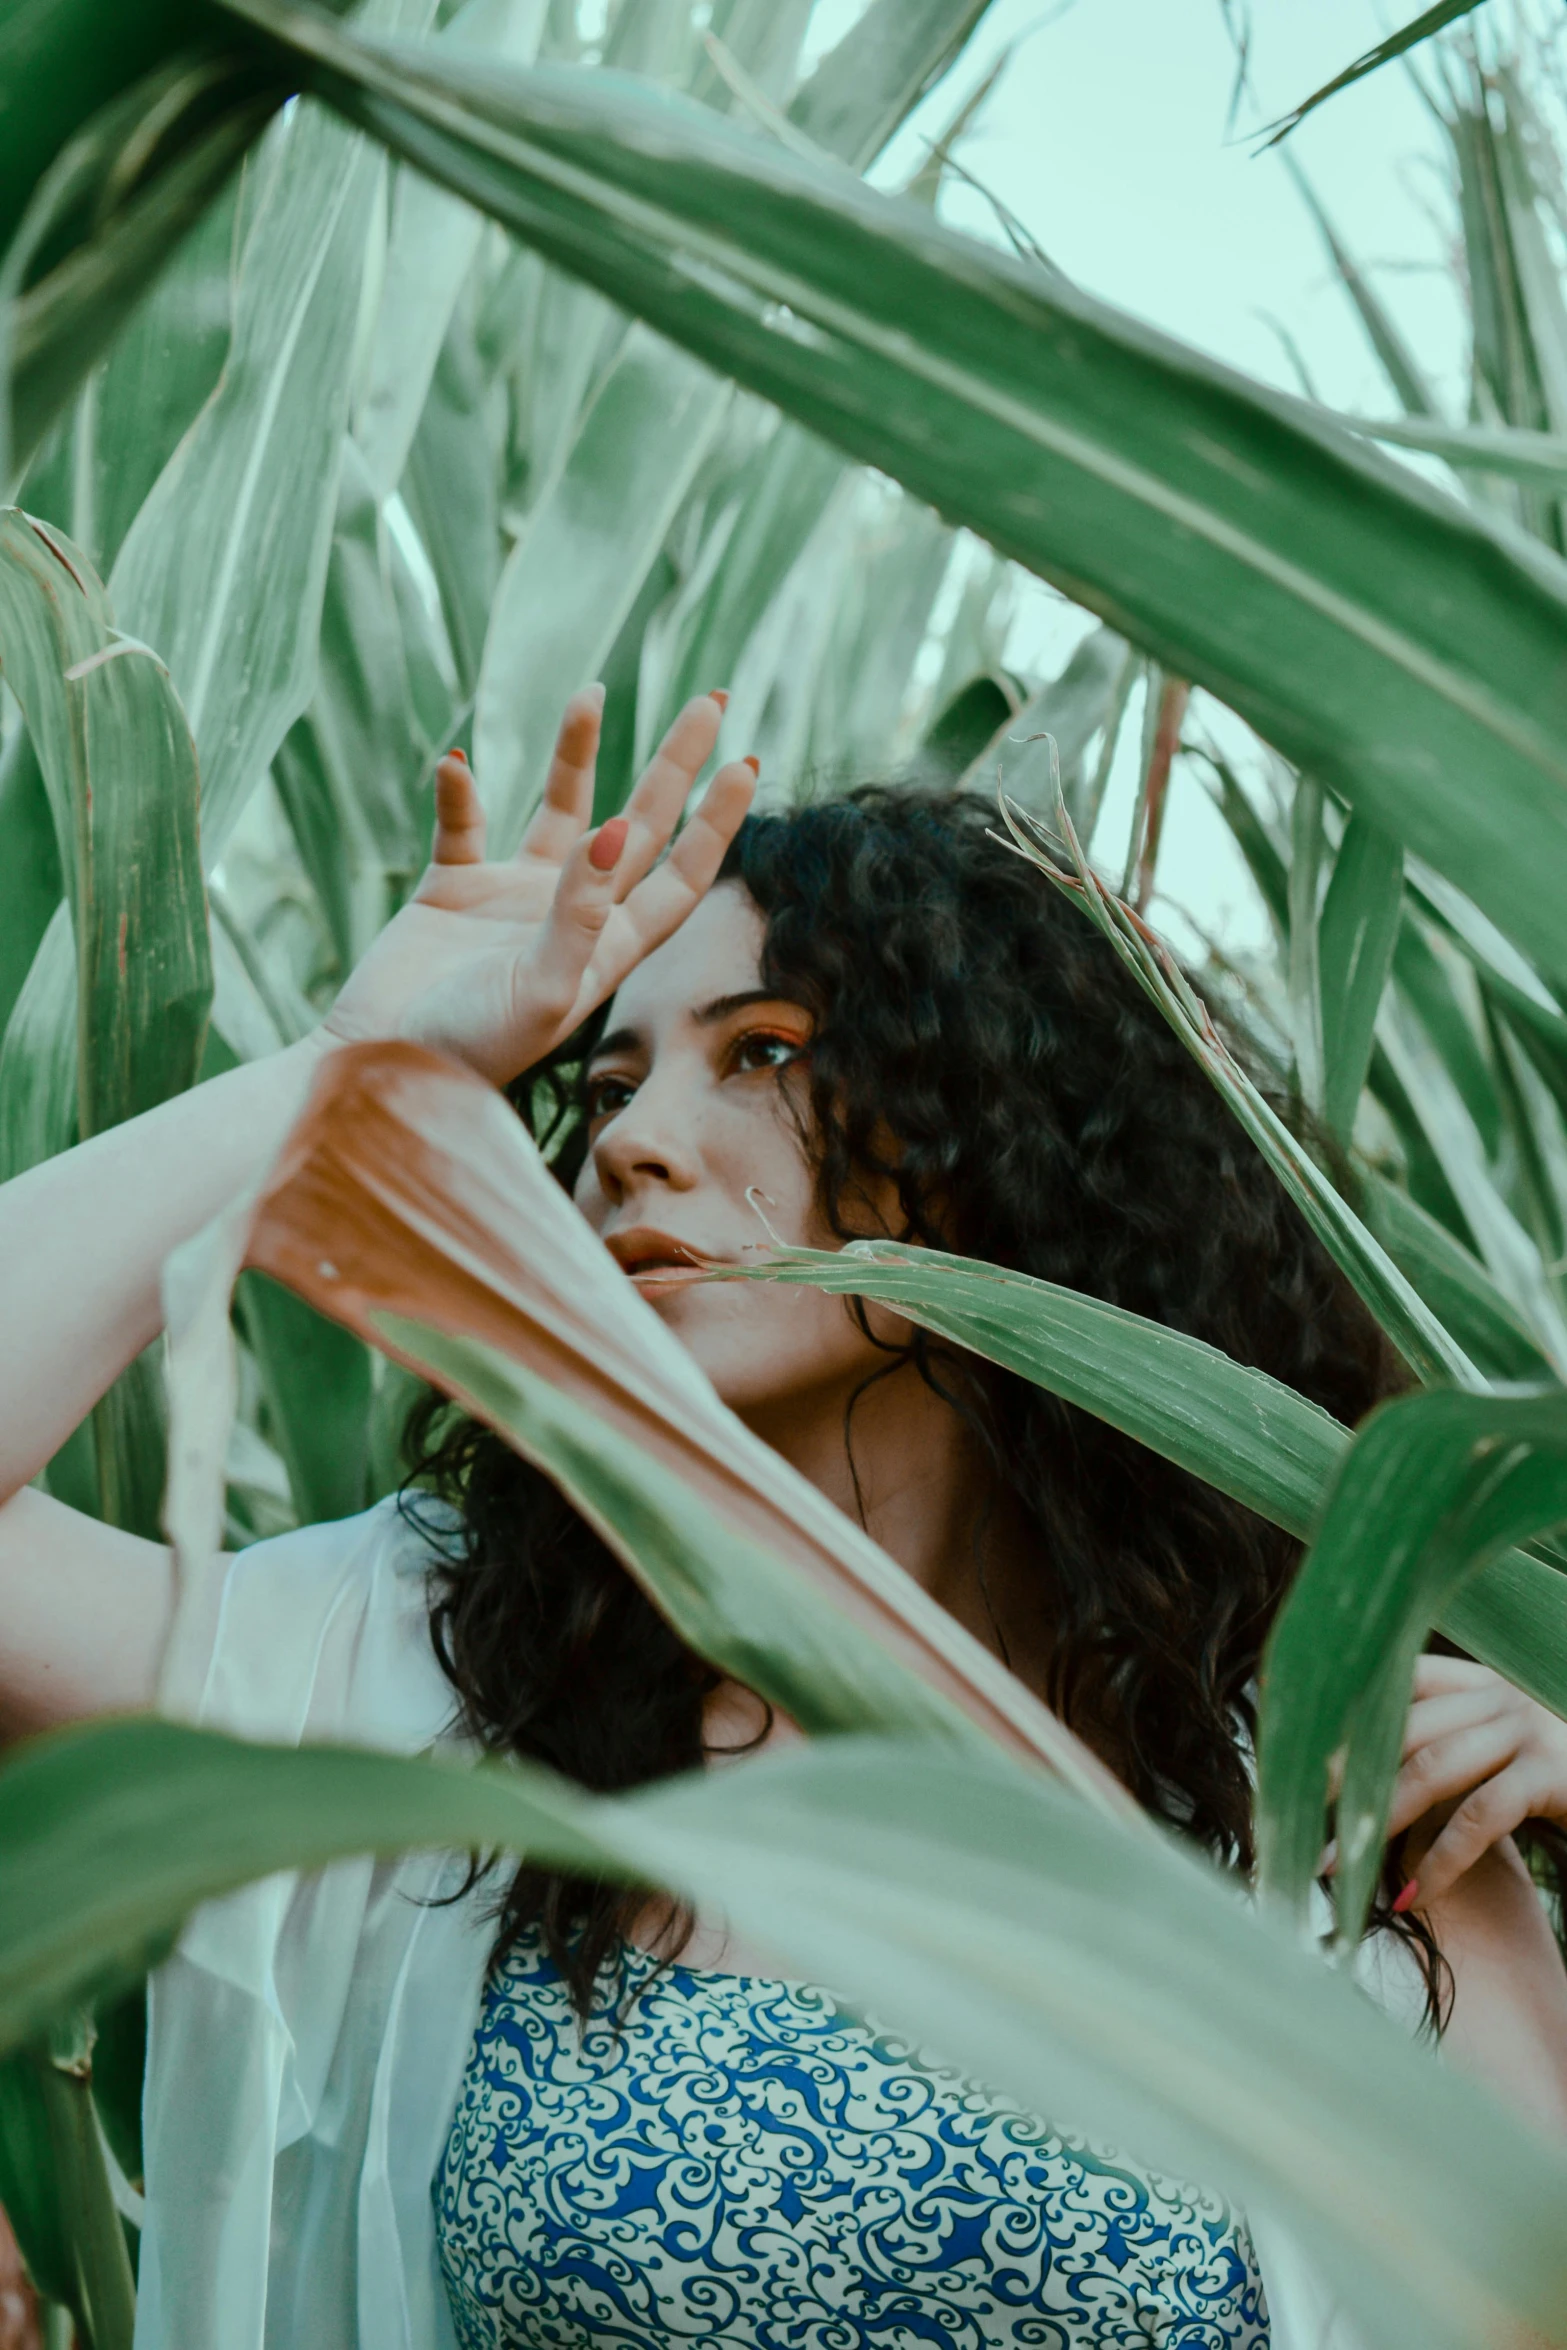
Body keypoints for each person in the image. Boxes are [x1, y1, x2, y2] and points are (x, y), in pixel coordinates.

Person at [2, 686, 1566, 2350]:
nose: (637, 1146)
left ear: (1003, 1150)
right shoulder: (445, 1684)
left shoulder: (1321, 1780)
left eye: (764, 1056)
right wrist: (351, 1070)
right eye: (599, 1087)